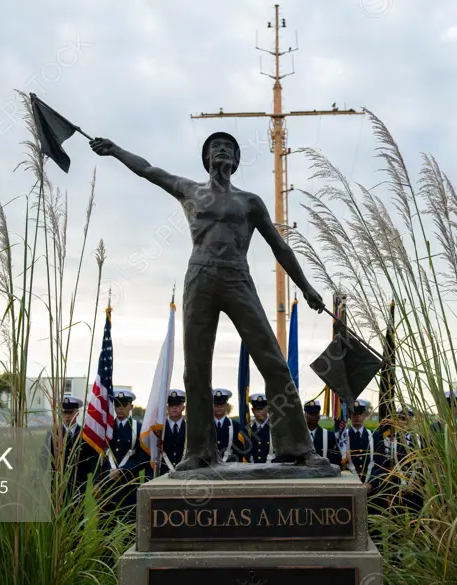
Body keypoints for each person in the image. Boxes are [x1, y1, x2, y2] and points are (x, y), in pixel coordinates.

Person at [90, 132, 329, 471]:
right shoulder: (190, 190)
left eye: (229, 147)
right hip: (200, 276)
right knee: (197, 368)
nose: (222, 150)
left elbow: (280, 246)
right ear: (206, 159)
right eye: (215, 147)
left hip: (237, 276)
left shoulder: (250, 202)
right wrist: (114, 150)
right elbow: (148, 170)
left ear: (235, 161)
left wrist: (305, 287)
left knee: (272, 360)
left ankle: (297, 447)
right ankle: (200, 451)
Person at [100, 389, 149, 513]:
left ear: (131, 407)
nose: (120, 408)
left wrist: (123, 471)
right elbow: (100, 455)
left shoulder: (139, 428)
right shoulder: (107, 428)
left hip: (128, 485)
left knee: (129, 526)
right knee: (106, 529)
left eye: (124, 405)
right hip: (108, 484)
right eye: (117, 405)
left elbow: (142, 457)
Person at [212, 388, 248, 463]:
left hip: (229, 468)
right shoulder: (205, 426)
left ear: (227, 405)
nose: (219, 407)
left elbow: (240, 451)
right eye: (216, 404)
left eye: (221, 404)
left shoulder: (235, 426)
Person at [304, 400, 343, 468]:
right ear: (305, 414)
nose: (313, 416)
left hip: (323, 476)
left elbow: (335, 461)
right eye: (310, 413)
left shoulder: (329, 436)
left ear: (319, 414)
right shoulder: (297, 437)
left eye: (316, 413)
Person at [157, 388, 187, 475]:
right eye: (171, 404)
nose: (174, 407)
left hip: (184, 473)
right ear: (167, 407)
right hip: (162, 473)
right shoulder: (159, 428)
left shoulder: (189, 429)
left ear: (183, 407)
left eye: (177, 404)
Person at [247, 393, 273, 463]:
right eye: (256, 409)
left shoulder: (275, 429)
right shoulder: (249, 431)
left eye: (261, 408)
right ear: (252, 410)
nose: (259, 411)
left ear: (267, 409)